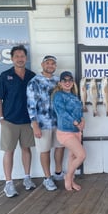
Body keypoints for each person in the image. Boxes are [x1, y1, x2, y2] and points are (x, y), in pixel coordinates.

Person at [0, 45, 36, 197]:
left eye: (22, 56)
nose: (20, 58)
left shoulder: (32, 76)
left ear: (26, 58)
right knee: (9, 151)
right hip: (10, 121)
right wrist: (1, 118)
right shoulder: (5, 76)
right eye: (17, 56)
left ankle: (27, 178)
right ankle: (8, 184)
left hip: (27, 121)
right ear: (12, 58)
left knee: (26, 149)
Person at [27, 55, 65, 191]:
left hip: (58, 122)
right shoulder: (34, 82)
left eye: (53, 63)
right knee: (45, 150)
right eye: (48, 63)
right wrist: (34, 124)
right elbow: (31, 105)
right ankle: (47, 178)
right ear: (42, 65)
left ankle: (59, 173)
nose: (50, 65)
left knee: (60, 147)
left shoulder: (58, 81)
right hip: (42, 124)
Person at [52, 71, 86, 191]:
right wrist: (75, 122)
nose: (67, 82)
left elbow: (79, 111)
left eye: (70, 80)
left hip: (76, 131)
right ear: (60, 83)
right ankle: (68, 176)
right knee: (81, 155)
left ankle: (71, 181)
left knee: (72, 156)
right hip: (65, 131)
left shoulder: (74, 96)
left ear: (72, 82)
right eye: (64, 80)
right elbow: (61, 112)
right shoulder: (58, 96)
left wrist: (82, 121)